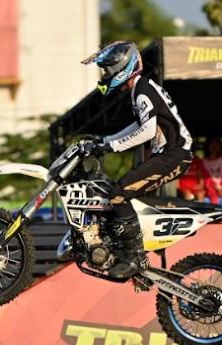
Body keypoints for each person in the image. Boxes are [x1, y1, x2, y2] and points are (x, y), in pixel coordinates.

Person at [84, 41, 193, 278]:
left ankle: (134, 257)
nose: (105, 75)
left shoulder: (142, 90)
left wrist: (111, 145)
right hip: (169, 155)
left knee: (119, 194)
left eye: (107, 70)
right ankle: (127, 249)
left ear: (122, 68)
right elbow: (138, 125)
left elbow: (147, 131)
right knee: (122, 193)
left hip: (174, 156)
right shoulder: (140, 89)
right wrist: (105, 141)